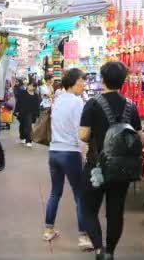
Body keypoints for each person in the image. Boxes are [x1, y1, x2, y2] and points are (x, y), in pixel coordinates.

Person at [79, 62, 142, 260]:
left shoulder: (92, 103)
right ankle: (110, 251)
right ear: (123, 82)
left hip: (96, 165)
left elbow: (83, 135)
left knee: (88, 208)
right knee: (115, 211)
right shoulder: (131, 106)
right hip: (121, 168)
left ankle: (98, 248)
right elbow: (138, 136)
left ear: (102, 79)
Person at [42, 68, 92, 250]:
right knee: (80, 195)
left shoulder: (59, 99)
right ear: (73, 83)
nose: (84, 85)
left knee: (55, 192)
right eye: (82, 82)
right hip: (70, 153)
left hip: (54, 151)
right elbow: (80, 132)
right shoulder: (77, 102)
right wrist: (84, 154)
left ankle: (48, 230)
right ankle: (83, 237)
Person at [14, 81, 40, 148]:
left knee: (28, 126)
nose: (31, 87)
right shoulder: (22, 93)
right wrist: (16, 111)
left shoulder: (36, 95)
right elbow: (18, 102)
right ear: (28, 86)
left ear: (35, 87)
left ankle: (28, 141)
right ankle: (22, 137)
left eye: (33, 86)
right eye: (30, 85)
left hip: (31, 113)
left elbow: (37, 105)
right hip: (22, 112)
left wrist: (37, 114)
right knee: (22, 125)